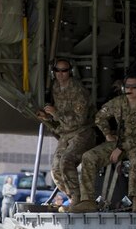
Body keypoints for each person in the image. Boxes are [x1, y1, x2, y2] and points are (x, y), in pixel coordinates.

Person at [72, 74, 136, 213]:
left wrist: (121, 147)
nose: (130, 90)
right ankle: (88, 201)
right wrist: (107, 134)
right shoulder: (118, 102)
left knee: (135, 160)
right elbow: (99, 117)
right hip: (118, 143)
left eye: (134, 87)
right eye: (127, 86)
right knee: (89, 157)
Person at [38, 58, 95, 210]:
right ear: (53, 72)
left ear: (70, 72)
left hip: (81, 132)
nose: (61, 74)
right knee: (55, 170)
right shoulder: (56, 87)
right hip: (66, 134)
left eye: (64, 71)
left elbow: (79, 120)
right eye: (58, 71)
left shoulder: (78, 90)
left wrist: (56, 114)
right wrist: (48, 117)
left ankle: (77, 199)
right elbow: (60, 117)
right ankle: (73, 197)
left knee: (66, 161)